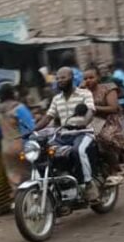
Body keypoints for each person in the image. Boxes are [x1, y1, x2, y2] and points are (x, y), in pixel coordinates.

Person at [37, 67, 99, 200]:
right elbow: (48, 117)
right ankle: (54, 187)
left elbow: (90, 110)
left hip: (83, 133)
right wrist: (33, 130)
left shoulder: (84, 93)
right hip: (64, 135)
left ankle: (88, 184)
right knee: (42, 153)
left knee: (79, 150)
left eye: (63, 77)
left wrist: (84, 122)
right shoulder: (56, 99)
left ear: (72, 78)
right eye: (58, 78)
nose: (60, 80)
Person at [83, 65, 124, 179]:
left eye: (91, 77)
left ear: (98, 77)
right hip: (93, 121)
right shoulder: (83, 92)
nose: (88, 81)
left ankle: (114, 165)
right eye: (85, 78)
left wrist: (94, 108)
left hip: (111, 120)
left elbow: (113, 108)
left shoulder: (109, 88)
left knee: (104, 136)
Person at [0, 82, 36, 188]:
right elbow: (29, 128)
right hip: (21, 146)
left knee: (13, 176)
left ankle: (19, 200)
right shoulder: (19, 108)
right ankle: (33, 199)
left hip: (6, 147)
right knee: (28, 174)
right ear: (12, 93)